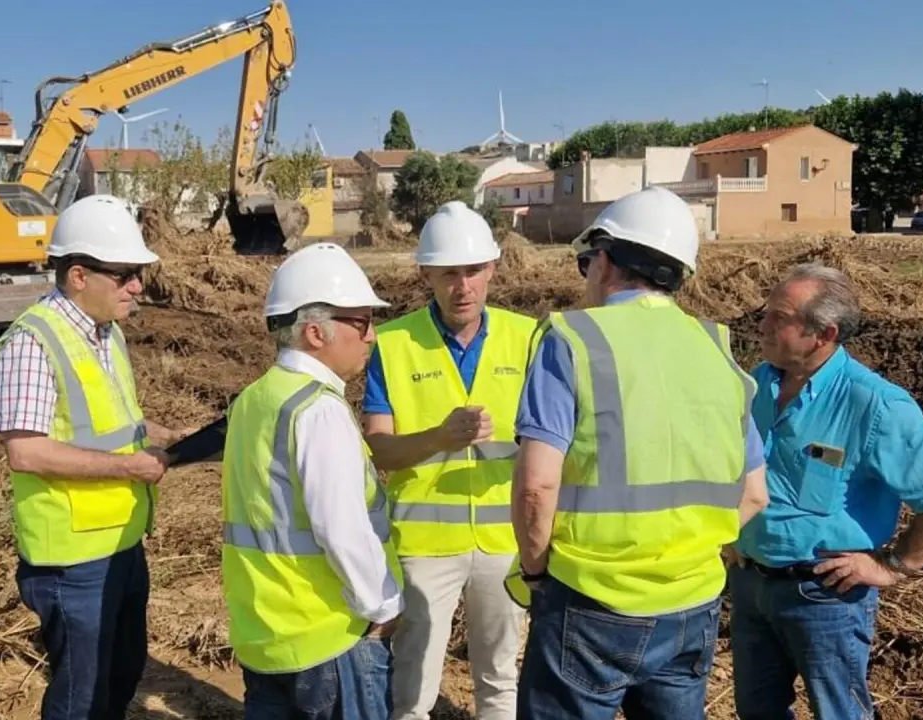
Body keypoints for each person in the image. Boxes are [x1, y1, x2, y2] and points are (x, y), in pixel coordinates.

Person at [504, 186, 770, 719]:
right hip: (693, 605)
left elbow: (536, 486)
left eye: (586, 263)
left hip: (590, 601)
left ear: (604, 260)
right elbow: (755, 495)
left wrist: (535, 572)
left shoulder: (572, 338)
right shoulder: (715, 348)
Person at [0, 194, 188, 720]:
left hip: (122, 541)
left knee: (121, 674)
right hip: (73, 560)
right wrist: (127, 467)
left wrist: (169, 435)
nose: (137, 286)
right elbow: (25, 451)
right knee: (83, 698)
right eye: (125, 275)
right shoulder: (32, 342)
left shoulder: (106, 333)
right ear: (79, 275)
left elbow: (110, 425)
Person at [729, 263, 923, 719]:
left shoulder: (875, 405)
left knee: (838, 712)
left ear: (823, 334)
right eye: (766, 312)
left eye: (779, 317)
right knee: (756, 709)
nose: (762, 325)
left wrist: (892, 566)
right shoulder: (757, 385)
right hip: (749, 584)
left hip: (825, 595)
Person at [361, 200, 537, 720]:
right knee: (413, 689)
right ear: (427, 275)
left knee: (500, 680)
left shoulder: (529, 338)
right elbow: (380, 449)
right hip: (424, 547)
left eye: (473, 271)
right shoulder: (393, 344)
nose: (463, 286)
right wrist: (439, 437)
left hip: (505, 542)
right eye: (449, 274)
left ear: (493, 269)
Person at [221, 242, 405, 720]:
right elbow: (341, 529)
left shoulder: (253, 400)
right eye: (362, 322)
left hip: (265, 637)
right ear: (315, 331)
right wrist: (383, 607)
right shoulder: (318, 409)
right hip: (329, 639)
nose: (372, 336)